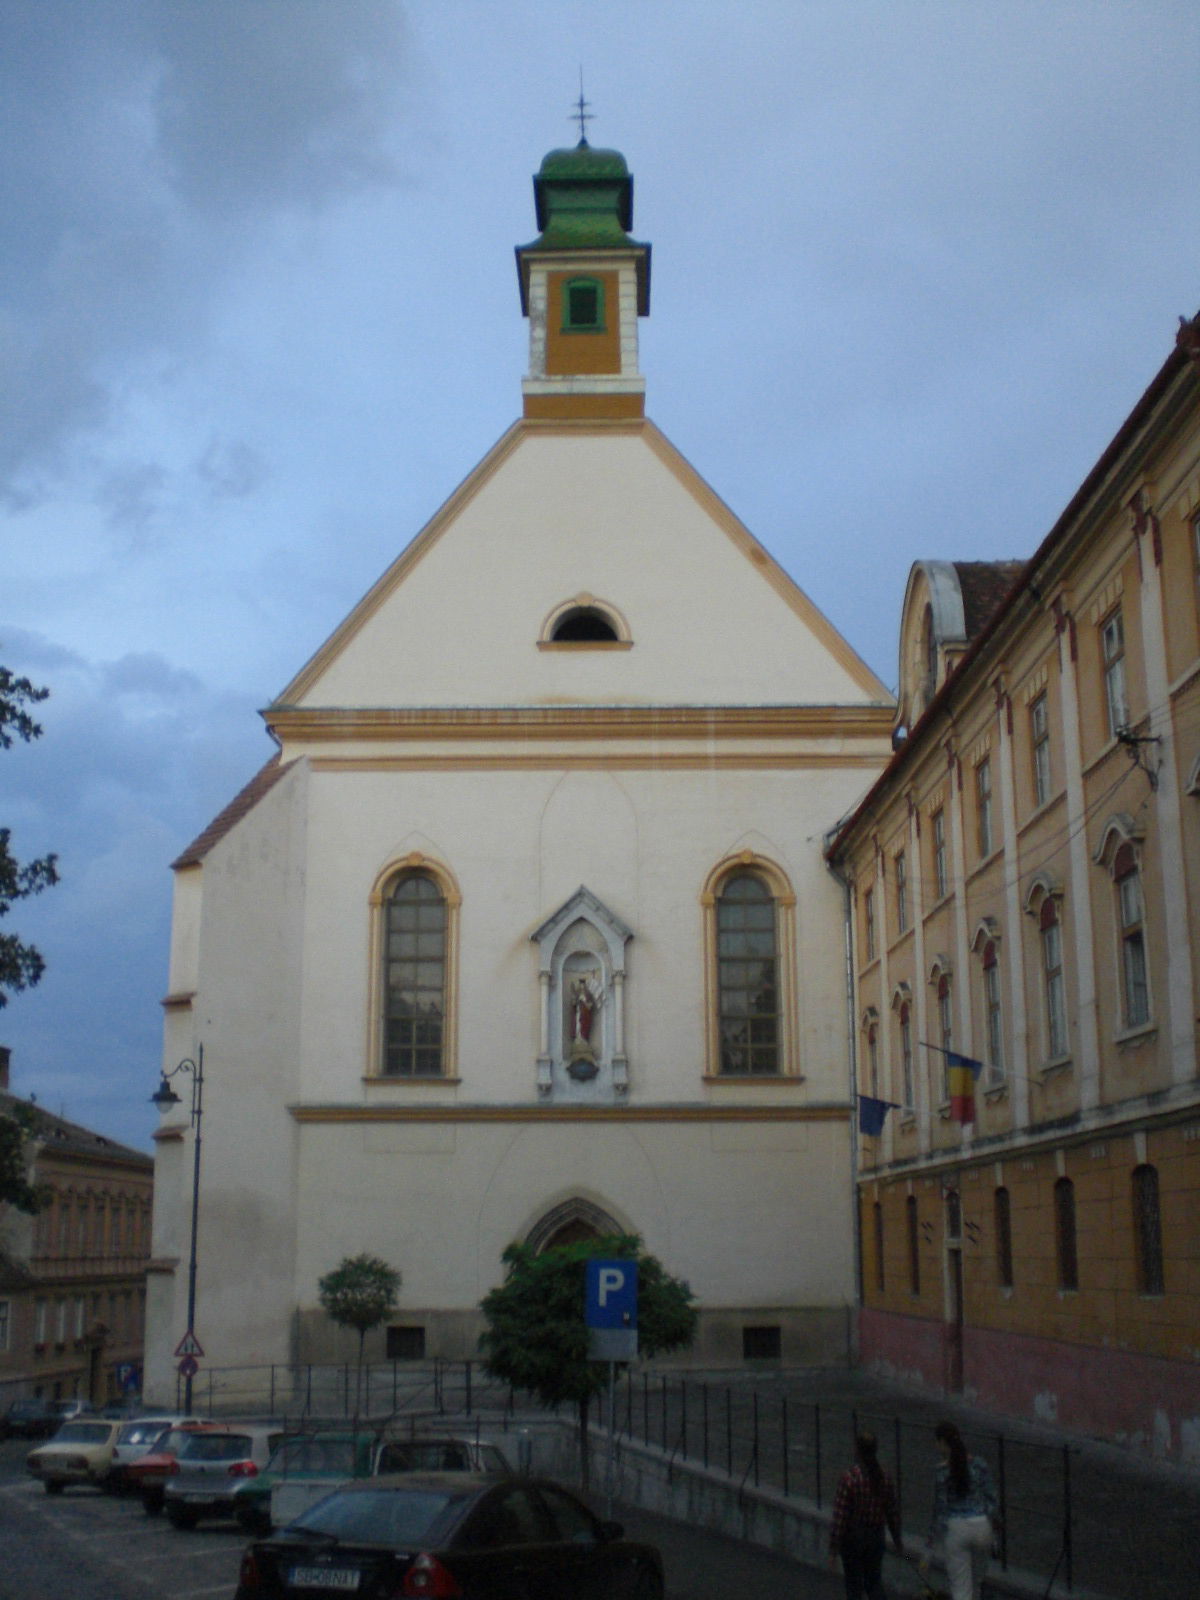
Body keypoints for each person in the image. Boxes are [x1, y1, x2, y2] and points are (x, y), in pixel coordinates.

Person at [925, 1420, 998, 1600]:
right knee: (976, 1586)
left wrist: (930, 1545)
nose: (935, 1446)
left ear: (943, 1442)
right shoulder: (980, 1464)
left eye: (936, 1442)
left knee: (961, 1591)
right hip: (982, 1527)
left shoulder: (942, 1471)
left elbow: (940, 1511)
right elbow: (992, 1500)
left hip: (956, 1528)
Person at [827, 1430, 904, 1599]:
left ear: (857, 1450)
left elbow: (840, 1517)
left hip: (854, 1537)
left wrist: (833, 1549)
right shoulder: (885, 1476)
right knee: (874, 1582)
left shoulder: (850, 1478)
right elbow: (892, 1511)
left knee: (854, 1585)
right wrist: (897, 1540)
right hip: (876, 1535)